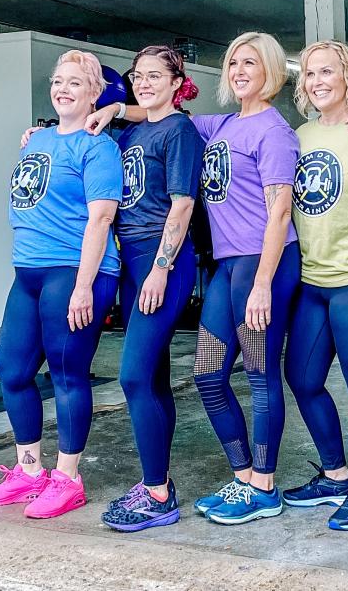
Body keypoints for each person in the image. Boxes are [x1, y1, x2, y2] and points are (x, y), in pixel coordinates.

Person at [88, 31, 300, 526]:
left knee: (261, 375)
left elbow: (281, 212)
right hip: (227, 264)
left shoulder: (273, 131)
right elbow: (158, 114)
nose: (240, 71)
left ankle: (264, 486)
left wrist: (265, 282)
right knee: (207, 373)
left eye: (251, 63)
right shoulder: (222, 124)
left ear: (271, 70)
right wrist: (115, 111)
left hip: (261, 263)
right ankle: (243, 475)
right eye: (233, 64)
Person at [0, 50, 123, 519]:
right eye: (58, 81)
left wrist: (84, 287)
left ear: (94, 94)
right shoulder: (35, 139)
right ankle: (29, 471)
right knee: (12, 370)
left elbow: (101, 218)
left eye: (75, 83)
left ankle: (69, 478)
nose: (63, 89)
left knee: (66, 373)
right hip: (29, 271)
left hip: (74, 271)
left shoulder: (98, 147)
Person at [282, 41, 348, 531]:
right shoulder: (298, 135)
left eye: (326, 71)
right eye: (308, 73)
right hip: (313, 279)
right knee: (302, 379)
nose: (316, 80)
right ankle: (335, 473)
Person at [99, 45, 204, 533]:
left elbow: (182, 204)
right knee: (153, 379)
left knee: (134, 375)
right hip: (129, 260)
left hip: (163, 258)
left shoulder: (180, 130)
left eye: (154, 75)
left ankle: (157, 493)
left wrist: (160, 269)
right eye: (138, 76)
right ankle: (159, 485)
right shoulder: (133, 132)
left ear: (175, 80)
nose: (143, 82)